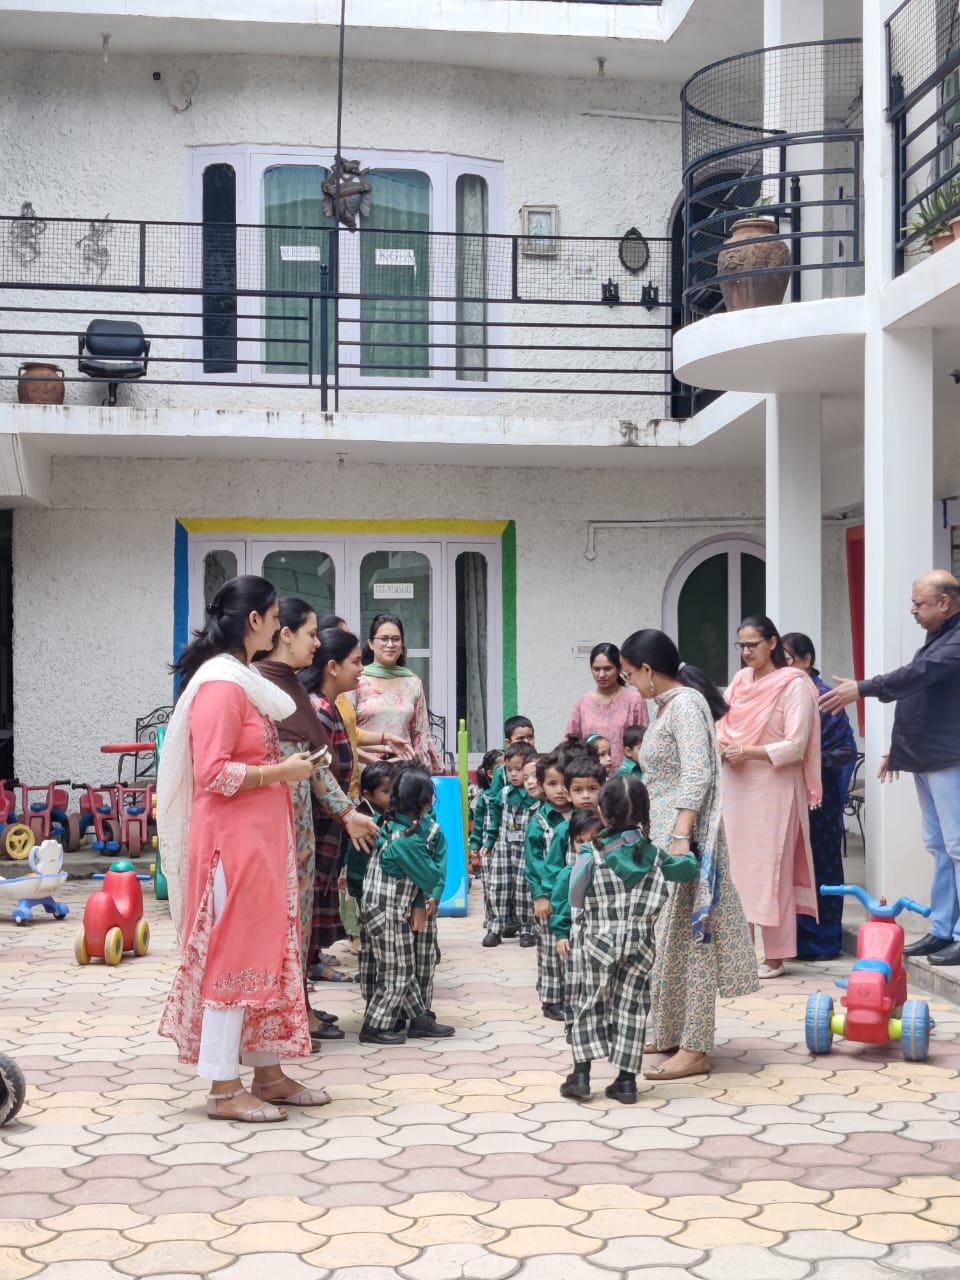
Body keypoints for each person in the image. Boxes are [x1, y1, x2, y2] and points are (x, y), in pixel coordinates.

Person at [157, 575, 328, 1121]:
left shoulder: (244, 681)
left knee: (264, 959)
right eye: (276, 616)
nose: (280, 627)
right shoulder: (222, 685)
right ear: (254, 620)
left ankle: (267, 1073)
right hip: (232, 850)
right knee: (232, 961)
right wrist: (285, 770)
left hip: (257, 846)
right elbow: (213, 773)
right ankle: (223, 1088)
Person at [619, 629, 758, 1080]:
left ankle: (696, 1046)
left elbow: (697, 775)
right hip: (665, 838)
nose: (629, 684)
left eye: (629, 674)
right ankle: (670, 1029)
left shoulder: (685, 706)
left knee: (695, 942)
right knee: (669, 939)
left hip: (687, 841)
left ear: (647, 669)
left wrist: (681, 837)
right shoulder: (667, 707)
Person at [820, 570, 960, 965]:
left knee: (957, 846)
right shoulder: (939, 638)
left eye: (919, 603)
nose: (913, 610)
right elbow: (925, 698)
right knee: (939, 846)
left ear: (945, 603)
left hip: (950, 759)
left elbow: (918, 676)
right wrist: (898, 751)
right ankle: (943, 929)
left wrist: (862, 688)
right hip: (928, 758)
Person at [256, 600, 376, 1045]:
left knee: (299, 923)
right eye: (310, 632)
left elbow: (313, 762)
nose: (316, 641)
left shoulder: (285, 688)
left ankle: (296, 1008)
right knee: (282, 923)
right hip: (274, 829)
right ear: (282, 633)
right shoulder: (256, 687)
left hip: (301, 829)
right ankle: (283, 1016)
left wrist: (346, 814)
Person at [551, 774, 699, 1104]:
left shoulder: (590, 854)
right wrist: (686, 849)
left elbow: (575, 896)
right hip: (640, 944)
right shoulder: (656, 857)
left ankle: (581, 1074)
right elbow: (685, 869)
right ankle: (626, 1082)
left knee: (588, 1003)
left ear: (602, 813)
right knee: (631, 1008)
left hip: (596, 942)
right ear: (645, 814)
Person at [717, 615, 822, 980]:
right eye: (741, 646)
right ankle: (739, 952)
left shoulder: (795, 684)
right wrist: (725, 746)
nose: (746, 652)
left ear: (772, 643)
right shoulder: (740, 680)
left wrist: (749, 752)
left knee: (772, 869)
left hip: (775, 785)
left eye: (753, 645)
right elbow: (722, 722)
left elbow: (796, 744)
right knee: (736, 870)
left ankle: (776, 956)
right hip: (737, 784)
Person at [359, 766, 455, 1044]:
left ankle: (420, 1018)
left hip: (385, 910)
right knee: (398, 970)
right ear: (424, 803)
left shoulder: (393, 825)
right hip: (386, 913)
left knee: (404, 965)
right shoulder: (407, 841)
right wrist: (432, 869)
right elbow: (430, 876)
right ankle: (374, 1026)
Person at [782, 631, 858, 960]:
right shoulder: (784, 693)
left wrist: (808, 761)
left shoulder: (826, 698)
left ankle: (823, 940)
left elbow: (843, 751)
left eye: (786, 661)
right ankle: (793, 938)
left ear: (806, 660)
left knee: (821, 862)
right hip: (787, 791)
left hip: (819, 796)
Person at [301, 627, 369, 982]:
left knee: (319, 899)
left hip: (331, 827)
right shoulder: (318, 712)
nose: (362, 669)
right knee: (309, 905)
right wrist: (346, 813)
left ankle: (312, 966)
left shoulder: (330, 708)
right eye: (356, 661)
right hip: (319, 825)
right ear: (332, 666)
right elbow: (318, 773)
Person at [353, 613, 441, 772]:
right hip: (364, 771)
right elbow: (346, 733)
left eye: (395, 639)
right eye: (384, 638)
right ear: (371, 643)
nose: (390, 644)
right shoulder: (356, 680)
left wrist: (423, 771)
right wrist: (375, 762)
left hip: (403, 771)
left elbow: (420, 734)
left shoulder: (413, 682)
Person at [524, 753, 573, 1020]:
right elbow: (533, 863)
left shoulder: (583, 816)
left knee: (571, 945)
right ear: (542, 786)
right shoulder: (540, 822)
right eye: (553, 784)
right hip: (550, 896)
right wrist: (541, 895)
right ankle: (552, 998)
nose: (560, 790)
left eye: (566, 783)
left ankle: (573, 995)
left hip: (576, 896)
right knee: (550, 948)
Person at [479, 739, 539, 947]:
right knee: (499, 884)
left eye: (519, 769)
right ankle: (495, 926)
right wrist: (490, 839)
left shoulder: (535, 796)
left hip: (527, 848)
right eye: (509, 769)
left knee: (524, 887)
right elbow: (494, 815)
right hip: (504, 845)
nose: (514, 774)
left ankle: (527, 928)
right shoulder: (503, 793)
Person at [565, 643, 649, 769]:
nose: (601, 674)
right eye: (596, 669)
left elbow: (644, 742)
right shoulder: (583, 703)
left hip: (626, 778)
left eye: (607, 669)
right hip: (590, 779)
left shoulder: (634, 700)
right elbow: (570, 743)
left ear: (619, 668)